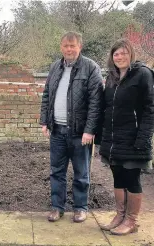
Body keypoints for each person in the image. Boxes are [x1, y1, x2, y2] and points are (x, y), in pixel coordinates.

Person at [40, 31, 103, 223]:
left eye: (72, 45)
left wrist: (90, 129)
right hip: (57, 130)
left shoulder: (90, 68)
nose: (69, 49)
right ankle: (57, 207)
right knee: (56, 171)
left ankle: (80, 207)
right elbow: (46, 96)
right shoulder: (55, 67)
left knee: (81, 172)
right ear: (61, 47)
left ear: (79, 47)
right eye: (66, 46)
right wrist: (44, 121)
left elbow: (96, 102)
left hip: (80, 133)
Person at [99, 38, 154, 235]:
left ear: (131, 54)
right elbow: (107, 109)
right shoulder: (111, 78)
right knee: (118, 177)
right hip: (114, 139)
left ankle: (131, 221)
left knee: (132, 178)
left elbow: (150, 109)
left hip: (134, 138)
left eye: (123, 53)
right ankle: (119, 215)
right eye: (116, 54)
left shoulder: (143, 74)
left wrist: (144, 137)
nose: (119, 56)